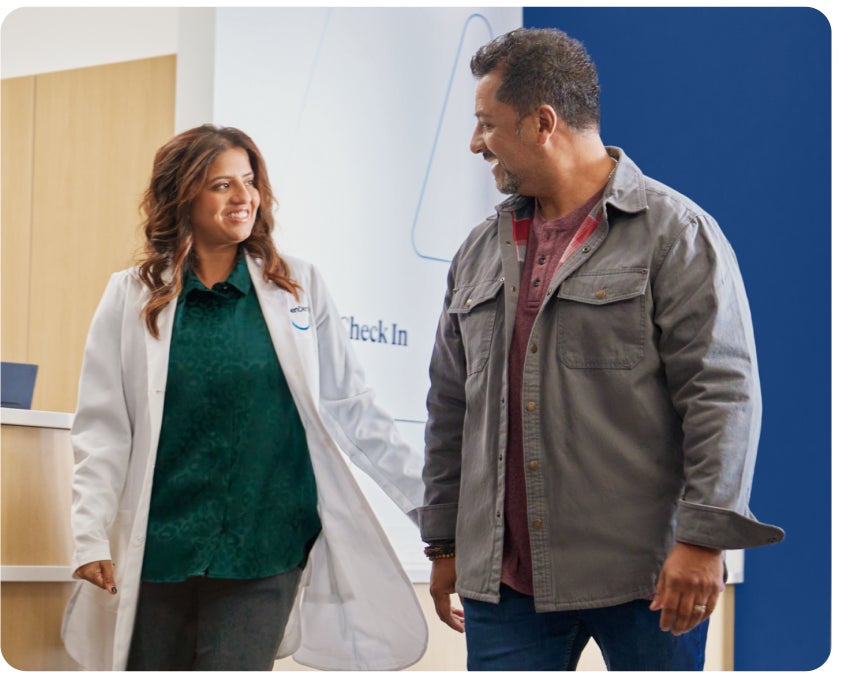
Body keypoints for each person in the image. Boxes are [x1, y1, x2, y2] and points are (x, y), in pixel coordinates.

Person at [418, 28, 784, 671]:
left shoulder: (676, 234)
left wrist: (703, 540)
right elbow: (450, 405)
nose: (476, 143)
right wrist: (443, 542)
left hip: (646, 579)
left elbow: (721, 396)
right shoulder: (477, 251)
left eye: (487, 124)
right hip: (505, 589)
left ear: (542, 123)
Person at [62, 124, 427, 671]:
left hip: (265, 543)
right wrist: (89, 535)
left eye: (249, 181)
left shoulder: (297, 285)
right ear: (183, 196)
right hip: (160, 544)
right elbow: (103, 428)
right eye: (222, 185)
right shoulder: (132, 293)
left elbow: (353, 409)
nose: (243, 197)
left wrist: (431, 510)